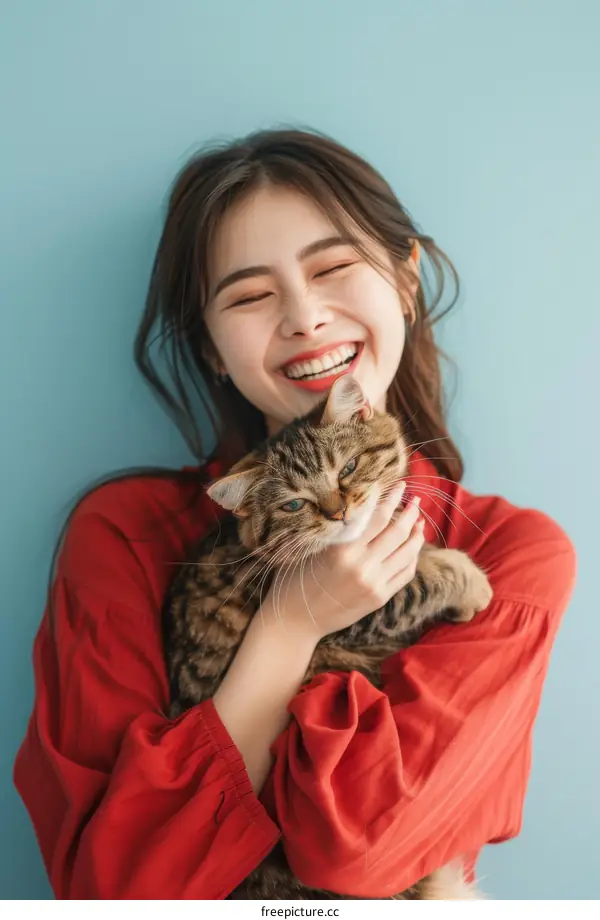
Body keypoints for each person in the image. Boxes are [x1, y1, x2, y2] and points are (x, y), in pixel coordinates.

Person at [14, 129, 576, 900]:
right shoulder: (128, 535)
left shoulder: (513, 554)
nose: (305, 318)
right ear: (211, 347)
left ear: (406, 282)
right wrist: (289, 624)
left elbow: (358, 848)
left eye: (334, 267)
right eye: (248, 295)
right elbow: (116, 892)